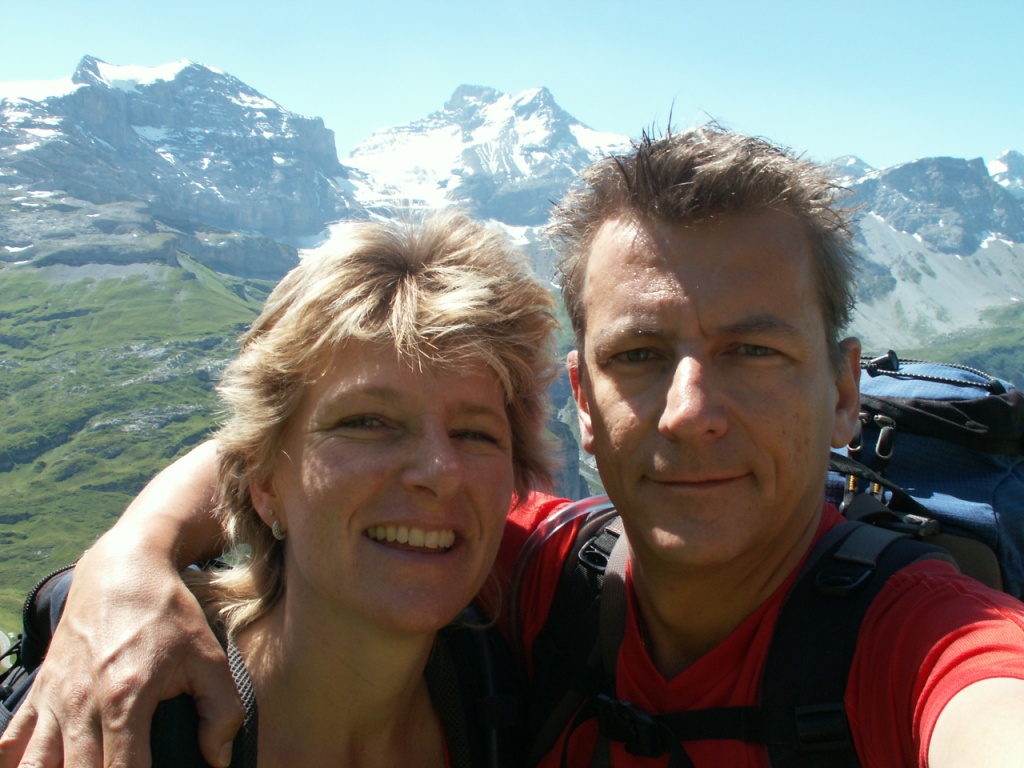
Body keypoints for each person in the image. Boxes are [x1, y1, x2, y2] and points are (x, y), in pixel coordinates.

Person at [4, 126, 1024, 768]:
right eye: (639, 355)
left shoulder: (920, 640)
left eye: (753, 352)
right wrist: (128, 560)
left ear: (844, 393)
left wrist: (134, 551)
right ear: (580, 401)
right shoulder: (520, 570)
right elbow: (301, 461)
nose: (690, 412)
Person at [0, 212, 559, 767]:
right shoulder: (122, 718)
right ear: (264, 483)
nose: (440, 470)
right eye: (367, 422)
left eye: (475, 433)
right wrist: (129, 558)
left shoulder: (520, 675)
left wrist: (137, 547)